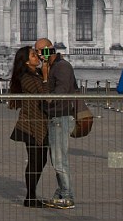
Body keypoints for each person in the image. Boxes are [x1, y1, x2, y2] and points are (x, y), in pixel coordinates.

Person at [36, 37, 76, 210]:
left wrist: (45, 78)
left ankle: (67, 195)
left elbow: (56, 95)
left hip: (61, 117)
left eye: (39, 51)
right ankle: (61, 192)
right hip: (55, 117)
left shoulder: (62, 67)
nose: (38, 55)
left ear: (48, 49)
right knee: (56, 158)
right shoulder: (54, 66)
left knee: (59, 159)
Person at [8, 46, 50, 208]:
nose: (37, 57)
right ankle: (30, 197)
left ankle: (31, 195)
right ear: (26, 61)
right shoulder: (25, 77)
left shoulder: (37, 73)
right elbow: (44, 95)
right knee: (35, 160)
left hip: (40, 122)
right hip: (30, 124)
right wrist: (45, 77)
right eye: (33, 55)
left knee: (40, 159)